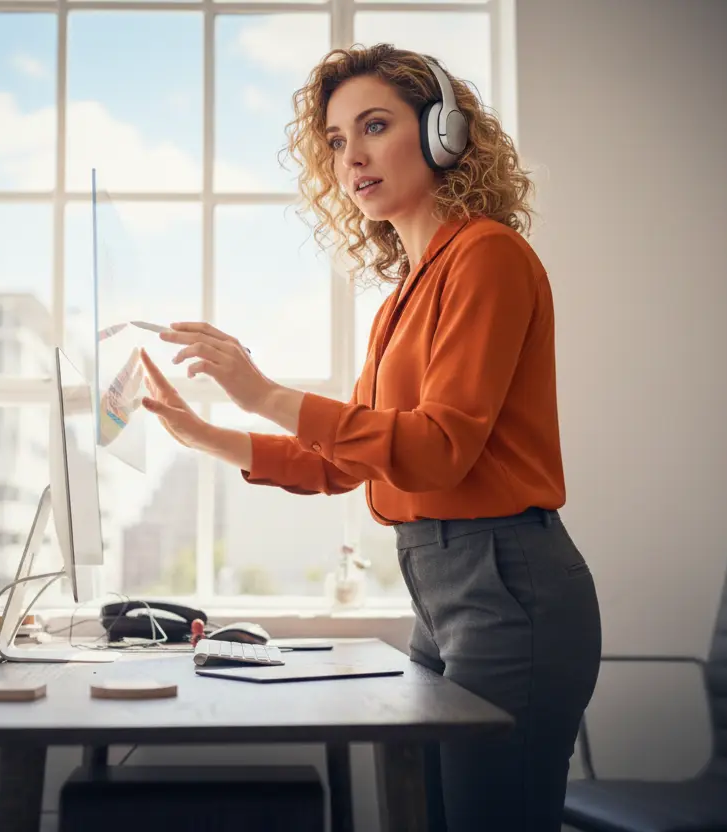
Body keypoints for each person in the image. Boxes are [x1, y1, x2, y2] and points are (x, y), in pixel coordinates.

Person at [139, 43, 601, 832]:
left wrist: (265, 392)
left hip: (505, 583)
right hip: (441, 586)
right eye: (335, 141)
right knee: (427, 812)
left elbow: (436, 449)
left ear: (443, 134)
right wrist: (208, 433)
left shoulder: (488, 257)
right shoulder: (400, 302)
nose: (351, 156)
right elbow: (340, 465)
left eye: (374, 126)